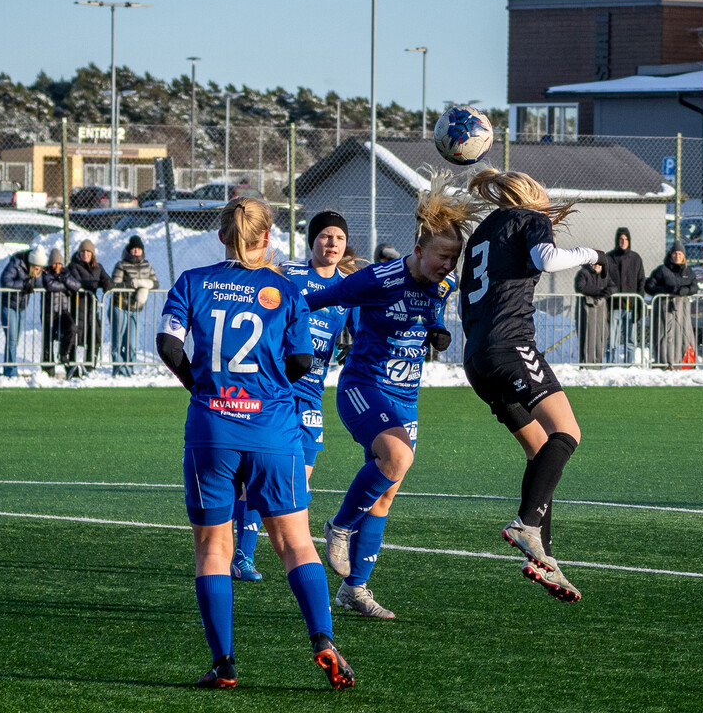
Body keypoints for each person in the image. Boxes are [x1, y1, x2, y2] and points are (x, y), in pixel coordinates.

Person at [155, 197, 355, 690]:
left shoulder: (192, 282)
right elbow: (302, 361)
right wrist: (268, 390)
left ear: (222, 236)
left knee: (213, 547)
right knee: (295, 542)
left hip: (212, 428)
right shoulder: (285, 289)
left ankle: (223, 664)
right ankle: (323, 638)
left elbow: (168, 344)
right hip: (273, 427)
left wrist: (200, 386)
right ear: (267, 238)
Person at [304, 181, 473, 619]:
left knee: (386, 493)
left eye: (453, 259)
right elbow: (320, 299)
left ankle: (354, 589)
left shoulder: (443, 282)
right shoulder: (380, 279)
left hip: (405, 398)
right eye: (442, 257)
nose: (448, 266)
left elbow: (436, 307)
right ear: (418, 250)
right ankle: (339, 526)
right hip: (364, 387)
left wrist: (437, 328)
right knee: (397, 457)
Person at [460, 169, 610, 603]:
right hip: (511, 346)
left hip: (477, 359)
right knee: (568, 432)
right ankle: (527, 525)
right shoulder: (529, 217)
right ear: (529, 193)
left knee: (540, 448)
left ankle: (544, 558)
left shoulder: (484, 232)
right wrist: (591, 254)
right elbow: (546, 259)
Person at [230, 211, 354, 582]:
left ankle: (284, 550)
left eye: (339, 238)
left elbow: (361, 333)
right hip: (276, 388)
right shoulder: (289, 274)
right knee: (262, 474)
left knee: (298, 480)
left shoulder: (348, 289)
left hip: (311, 395)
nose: (332, 243)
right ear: (312, 240)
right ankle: (242, 556)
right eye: (325, 236)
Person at [110, 235, 159, 378]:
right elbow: (115, 284)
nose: (136, 251)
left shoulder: (147, 265)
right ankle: (118, 368)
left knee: (132, 342)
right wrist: (132, 284)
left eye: (138, 249)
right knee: (118, 339)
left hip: (135, 308)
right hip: (120, 305)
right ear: (129, 250)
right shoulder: (121, 265)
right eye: (133, 249)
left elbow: (156, 283)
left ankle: (129, 368)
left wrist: (145, 284)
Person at [645, 240, 698, 368]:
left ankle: (685, 363)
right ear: (670, 255)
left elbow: (695, 286)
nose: (677, 256)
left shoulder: (688, 271)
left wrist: (687, 290)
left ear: (683, 256)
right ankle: (665, 363)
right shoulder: (662, 270)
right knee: (666, 336)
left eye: (680, 254)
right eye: (675, 253)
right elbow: (649, 286)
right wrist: (665, 290)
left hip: (682, 311)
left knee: (684, 335)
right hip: (665, 310)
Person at [67, 239, 113, 378]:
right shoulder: (73, 266)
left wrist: (105, 285)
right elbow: (77, 282)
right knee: (74, 337)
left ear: (92, 254)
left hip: (92, 308)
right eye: (83, 252)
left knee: (95, 336)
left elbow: (107, 280)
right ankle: (72, 366)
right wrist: (93, 284)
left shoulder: (97, 267)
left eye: (88, 252)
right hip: (77, 306)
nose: (85, 254)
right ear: (79, 253)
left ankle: (90, 365)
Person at [0, 244, 47, 378]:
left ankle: (9, 367)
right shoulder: (16, 264)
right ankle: (11, 372)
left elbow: (40, 284)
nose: (38, 268)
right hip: (8, 305)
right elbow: (5, 281)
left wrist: (36, 278)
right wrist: (24, 284)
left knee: (16, 339)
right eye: (36, 266)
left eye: (40, 267)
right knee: (12, 339)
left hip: (21, 307)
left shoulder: (36, 269)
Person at [605, 226, 644, 364]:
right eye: (621, 239)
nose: (623, 242)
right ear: (617, 240)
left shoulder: (635, 258)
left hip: (630, 306)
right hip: (614, 305)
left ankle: (629, 364)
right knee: (612, 340)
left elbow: (641, 281)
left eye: (626, 239)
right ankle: (611, 364)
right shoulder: (609, 258)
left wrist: (639, 305)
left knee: (630, 339)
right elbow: (604, 279)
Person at [39, 248, 80, 377]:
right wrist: (66, 287)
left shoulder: (66, 273)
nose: (57, 266)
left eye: (59, 263)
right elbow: (50, 285)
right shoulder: (45, 273)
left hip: (64, 311)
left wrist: (65, 280)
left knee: (71, 329)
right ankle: (48, 369)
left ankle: (64, 355)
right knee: (48, 339)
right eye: (54, 263)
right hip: (49, 311)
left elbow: (77, 285)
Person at [574, 256, 615, 365]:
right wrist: (599, 291)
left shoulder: (604, 275)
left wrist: (607, 292)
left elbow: (613, 287)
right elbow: (580, 287)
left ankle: (598, 362)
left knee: (601, 335)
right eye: (595, 263)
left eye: (599, 263)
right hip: (587, 310)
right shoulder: (583, 273)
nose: (597, 265)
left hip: (600, 311)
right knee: (588, 336)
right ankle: (587, 363)